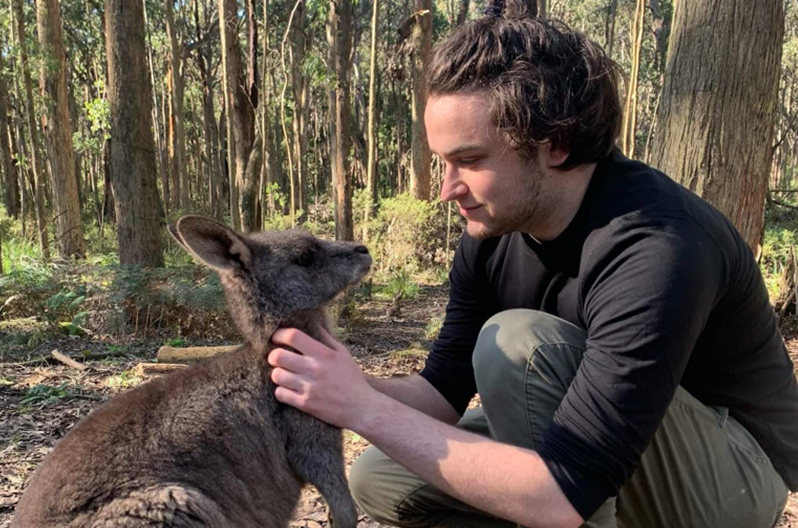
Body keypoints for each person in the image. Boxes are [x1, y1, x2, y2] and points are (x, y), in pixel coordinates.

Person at [267, 9, 798, 528]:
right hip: (608, 449)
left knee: (521, 345)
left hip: (734, 474)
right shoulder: (490, 234)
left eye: (470, 161)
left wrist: (364, 411)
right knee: (382, 475)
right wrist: (333, 382)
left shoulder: (659, 244)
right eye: (443, 163)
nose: (447, 188)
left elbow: (562, 491)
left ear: (556, 145)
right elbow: (439, 396)